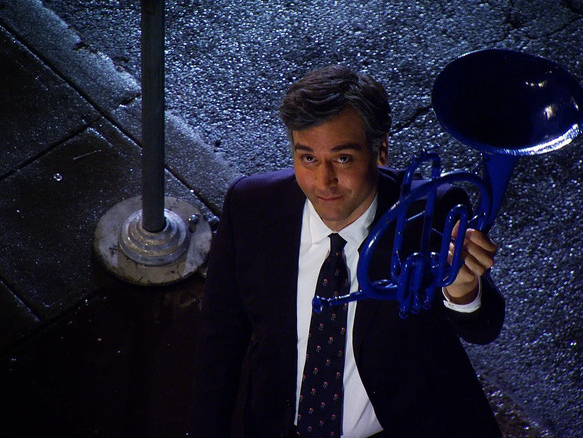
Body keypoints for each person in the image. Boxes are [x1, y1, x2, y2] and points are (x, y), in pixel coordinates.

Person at [191, 65, 504, 437]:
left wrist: (462, 289)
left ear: (381, 150)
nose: (323, 182)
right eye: (308, 159)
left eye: (342, 159)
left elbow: (484, 328)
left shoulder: (430, 211)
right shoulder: (249, 207)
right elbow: (220, 340)